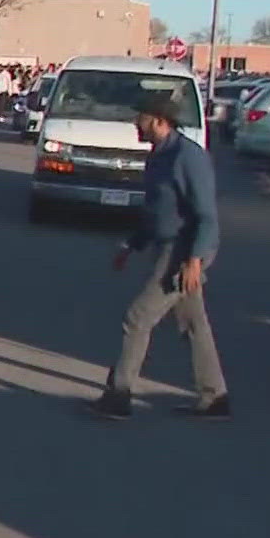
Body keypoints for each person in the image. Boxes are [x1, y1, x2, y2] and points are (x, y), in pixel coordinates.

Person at [91, 96, 228, 420]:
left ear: (159, 121)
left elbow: (207, 215)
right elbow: (156, 212)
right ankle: (215, 396)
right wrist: (132, 244)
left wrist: (194, 260)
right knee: (194, 322)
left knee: (137, 317)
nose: (135, 123)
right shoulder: (158, 157)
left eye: (140, 117)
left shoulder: (188, 157)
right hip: (168, 244)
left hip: (183, 249)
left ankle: (119, 396)